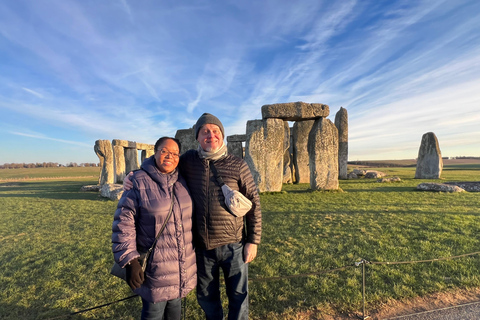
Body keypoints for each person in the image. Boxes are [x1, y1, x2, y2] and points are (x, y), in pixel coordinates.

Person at [125, 113, 262, 320]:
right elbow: (163, 165)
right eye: (205, 131)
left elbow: (254, 205)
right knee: (207, 297)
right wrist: (136, 174)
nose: (211, 135)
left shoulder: (237, 165)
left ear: (222, 135)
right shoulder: (188, 160)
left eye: (215, 131)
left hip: (233, 246)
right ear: (197, 137)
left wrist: (253, 240)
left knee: (238, 296)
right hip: (202, 247)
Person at [112, 137, 196, 320]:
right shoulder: (138, 181)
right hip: (155, 268)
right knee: (153, 314)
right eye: (164, 151)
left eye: (174, 153)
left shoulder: (183, 179)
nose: (169, 156)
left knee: (175, 313)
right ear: (155, 153)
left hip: (181, 266)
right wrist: (131, 261)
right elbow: (123, 224)